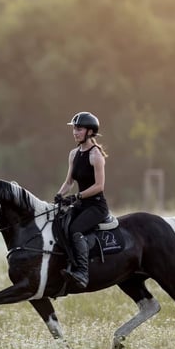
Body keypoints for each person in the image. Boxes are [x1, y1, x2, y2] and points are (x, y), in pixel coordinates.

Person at [54, 111, 110, 289]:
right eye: (74, 129)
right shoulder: (73, 154)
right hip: (81, 204)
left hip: (96, 206)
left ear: (90, 132)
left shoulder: (96, 155)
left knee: (75, 230)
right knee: (60, 223)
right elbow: (69, 182)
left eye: (79, 129)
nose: (75, 132)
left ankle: (83, 273)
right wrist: (59, 195)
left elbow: (99, 186)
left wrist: (77, 196)